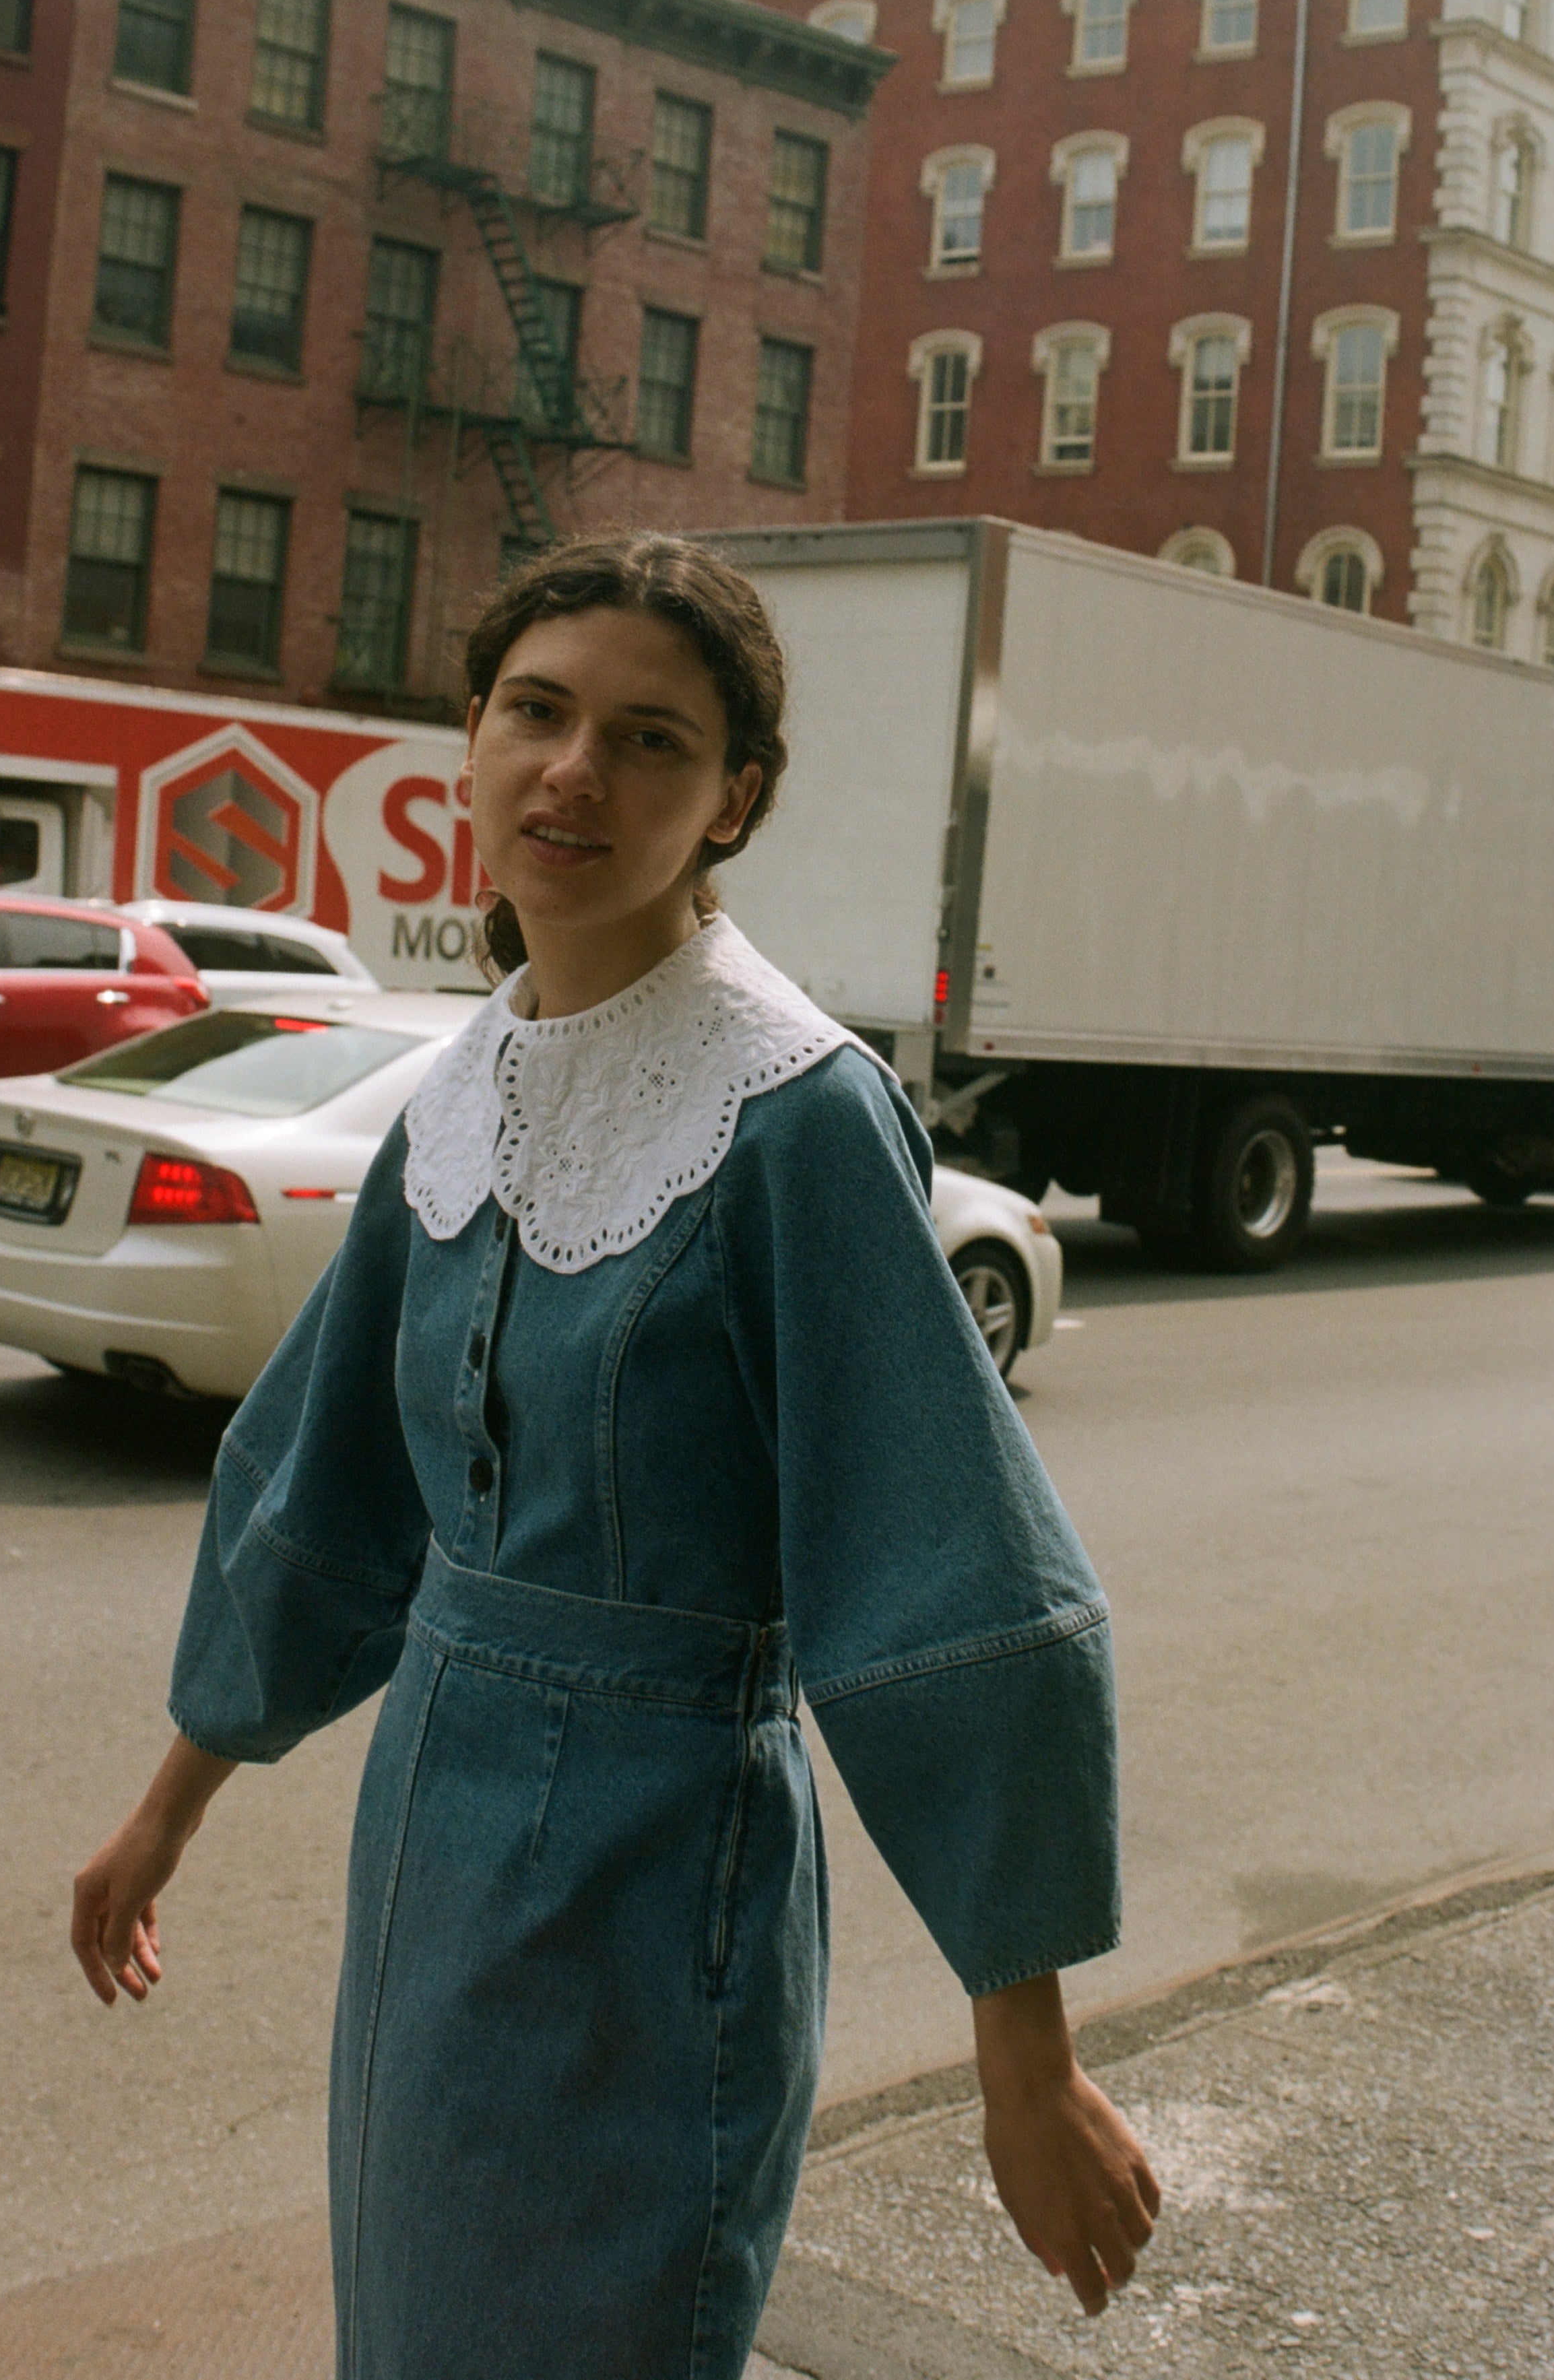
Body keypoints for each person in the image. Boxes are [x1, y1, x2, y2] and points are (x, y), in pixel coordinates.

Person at [71, 533, 1159, 2379]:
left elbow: (948, 1571)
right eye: (538, 712)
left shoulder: (797, 1116)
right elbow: (319, 1490)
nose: (576, 772)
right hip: (431, 1836)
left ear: (735, 796)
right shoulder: (461, 1087)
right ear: (470, 737)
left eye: (650, 740)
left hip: (663, 1869)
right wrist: (165, 1806)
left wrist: (1024, 2053)